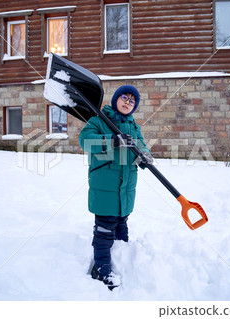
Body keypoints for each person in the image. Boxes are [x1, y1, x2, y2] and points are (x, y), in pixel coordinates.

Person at [79, 85, 153, 290]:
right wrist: (111, 141)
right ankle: (101, 267)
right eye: (124, 97)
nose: (127, 103)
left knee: (121, 225)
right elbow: (84, 141)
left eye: (132, 101)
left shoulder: (133, 126)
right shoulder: (99, 120)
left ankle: (123, 256)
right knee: (104, 229)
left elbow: (141, 146)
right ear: (115, 100)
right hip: (105, 187)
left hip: (126, 188)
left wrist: (144, 155)